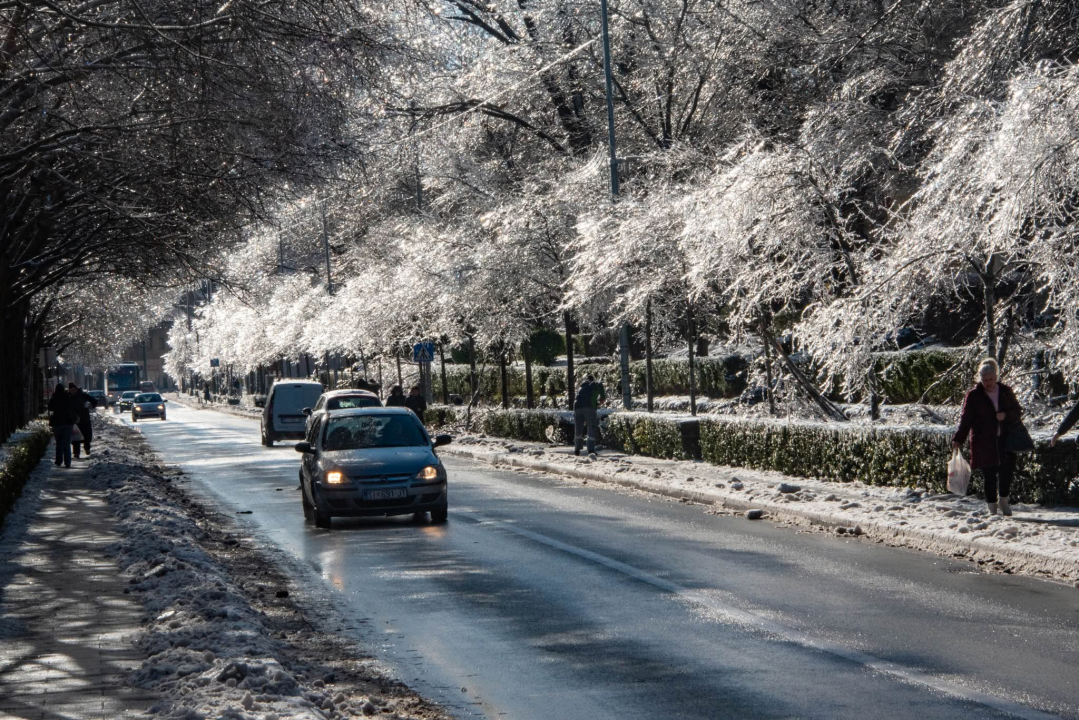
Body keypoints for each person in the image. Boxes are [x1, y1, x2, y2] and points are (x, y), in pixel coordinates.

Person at [952, 358, 1022, 516]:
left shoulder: (1005, 391)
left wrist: (1005, 415)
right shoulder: (974, 395)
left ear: (996, 377)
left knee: (1006, 473)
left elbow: (1017, 411)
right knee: (989, 475)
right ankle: (992, 507)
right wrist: (958, 438)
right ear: (980, 378)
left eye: (991, 379)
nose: (988, 383)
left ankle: (1004, 501)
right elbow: (966, 419)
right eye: (984, 380)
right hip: (984, 442)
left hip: (1005, 440)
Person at [573, 373, 606, 456]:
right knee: (591, 427)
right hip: (589, 407)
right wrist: (600, 401)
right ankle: (591, 450)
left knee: (578, 428)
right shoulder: (596, 384)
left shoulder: (581, 386)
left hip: (577, 407)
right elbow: (602, 396)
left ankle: (577, 449)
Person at [47, 383, 76, 468]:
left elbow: (50, 408)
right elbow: (73, 408)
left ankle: (59, 461)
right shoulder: (68, 397)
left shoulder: (54, 398)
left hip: (57, 423)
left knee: (59, 443)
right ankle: (68, 462)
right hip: (68, 423)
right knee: (66, 443)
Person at [67, 382, 96, 458]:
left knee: (86, 436)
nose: (73, 391)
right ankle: (76, 453)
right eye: (71, 390)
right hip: (74, 421)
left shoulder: (83, 395)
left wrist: (90, 405)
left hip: (84, 419)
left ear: (76, 389)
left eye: (74, 390)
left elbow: (94, 401)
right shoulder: (68, 397)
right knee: (76, 437)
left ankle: (87, 448)